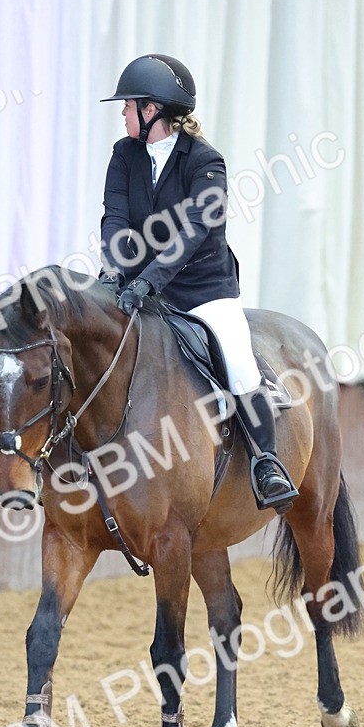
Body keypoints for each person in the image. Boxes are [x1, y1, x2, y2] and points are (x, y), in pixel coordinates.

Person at [99, 52, 298, 512]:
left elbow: (192, 233)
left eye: (128, 105)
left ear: (152, 111)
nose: (123, 112)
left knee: (240, 363)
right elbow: (115, 215)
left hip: (202, 290)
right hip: (137, 284)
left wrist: (149, 281)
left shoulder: (205, 161)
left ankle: (266, 463)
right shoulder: (124, 154)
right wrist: (115, 265)